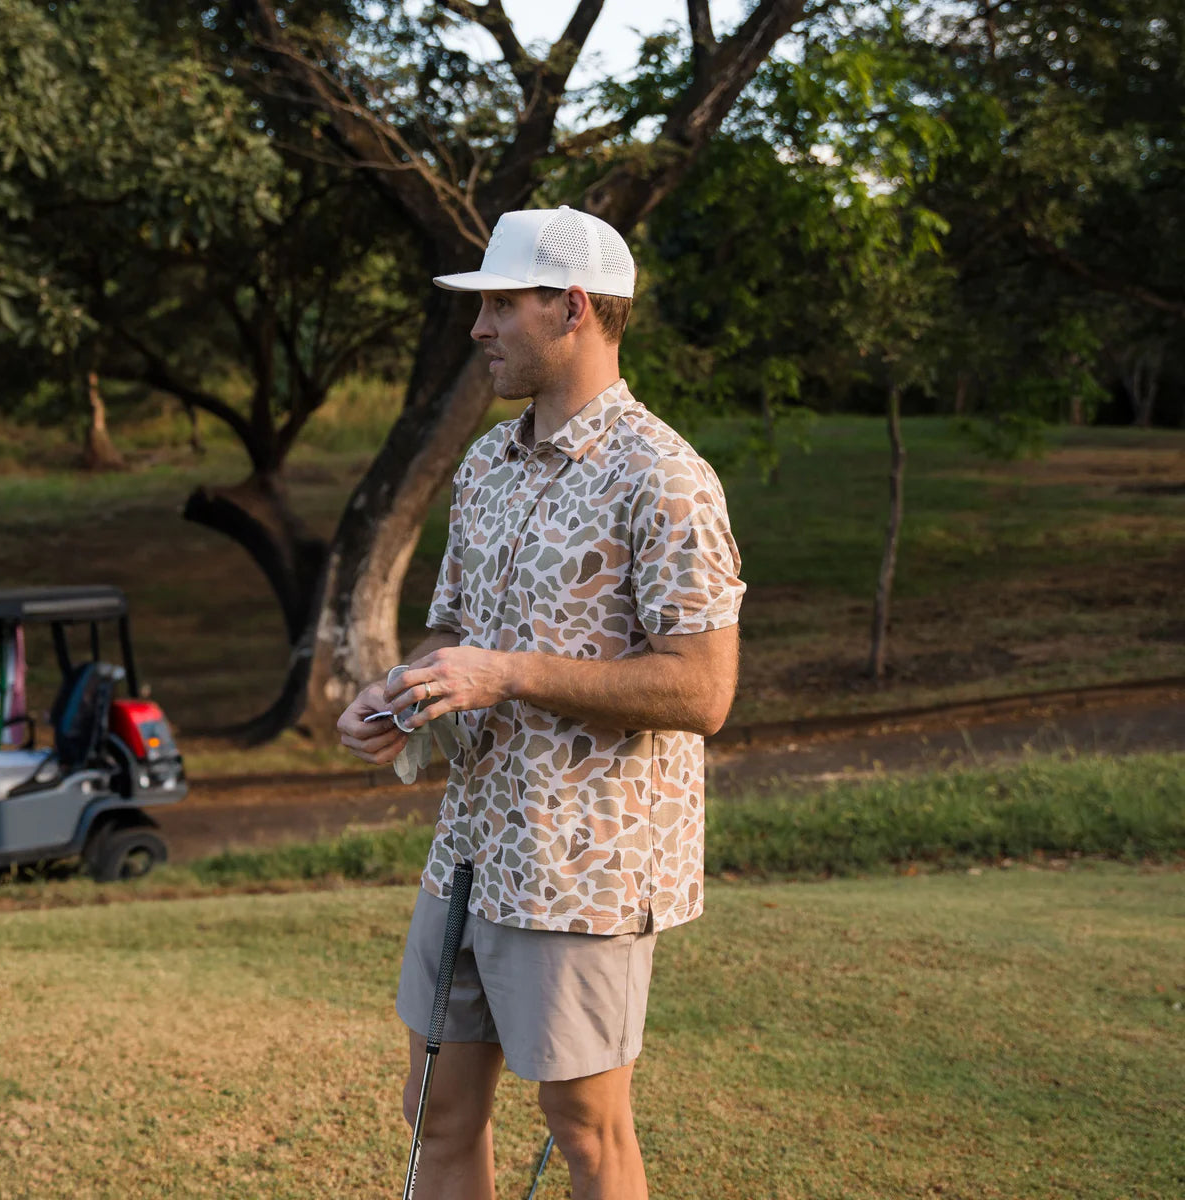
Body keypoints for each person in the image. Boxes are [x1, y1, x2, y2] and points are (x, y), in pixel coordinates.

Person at [337, 205, 745, 1200]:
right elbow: (455, 633)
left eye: (500, 305)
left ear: (572, 307)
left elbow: (704, 689)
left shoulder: (665, 478)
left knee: (586, 1130)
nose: (478, 328)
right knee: (435, 1107)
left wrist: (508, 674)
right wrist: (398, 693)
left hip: (582, 867)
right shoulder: (486, 464)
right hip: (471, 847)